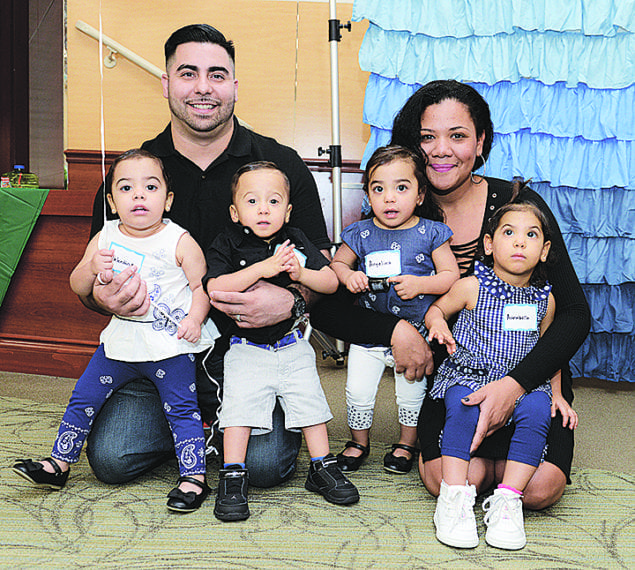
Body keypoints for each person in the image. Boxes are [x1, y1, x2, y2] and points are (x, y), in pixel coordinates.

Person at [311, 80, 590, 509]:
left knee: (539, 491)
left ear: (480, 142)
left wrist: (515, 386)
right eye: (427, 137)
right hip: (453, 378)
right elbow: (329, 309)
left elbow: (573, 313)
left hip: (528, 371)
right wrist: (398, 330)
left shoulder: (517, 207)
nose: (441, 150)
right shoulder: (398, 204)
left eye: (457, 136)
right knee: (450, 481)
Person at [82, 24, 331, 490]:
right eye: (187, 73)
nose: (202, 87)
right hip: (157, 352)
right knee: (112, 460)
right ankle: (197, 427)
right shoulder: (133, 175)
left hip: (255, 351)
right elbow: (87, 281)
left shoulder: (279, 166)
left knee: (263, 468)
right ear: (166, 83)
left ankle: (207, 430)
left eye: (217, 75)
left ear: (234, 85)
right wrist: (103, 297)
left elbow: (324, 270)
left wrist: (293, 303)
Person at [13, 149, 218, 512]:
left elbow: (202, 288)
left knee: (181, 410)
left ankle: (194, 477)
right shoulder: (106, 236)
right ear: (111, 201)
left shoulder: (179, 240)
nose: (138, 195)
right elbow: (77, 281)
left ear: (167, 200)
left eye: (150, 187)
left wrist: (194, 320)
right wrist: (92, 266)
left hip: (168, 345)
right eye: (126, 187)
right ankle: (59, 463)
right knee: (83, 396)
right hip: (120, 342)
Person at [204, 162, 358, 521]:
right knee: (239, 410)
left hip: (291, 343)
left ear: (287, 211)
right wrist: (263, 269)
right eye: (252, 200)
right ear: (234, 211)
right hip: (245, 349)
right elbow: (215, 288)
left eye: (273, 201)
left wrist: (299, 272)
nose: (262, 209)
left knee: (310, 403)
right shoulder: (227, 242)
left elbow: (330, 283)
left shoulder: (295, 242)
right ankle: (232, 474)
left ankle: (321, 466)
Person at [425, 200, 578, 549]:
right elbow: (437, 309)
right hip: (470, 374)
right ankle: (454, 496)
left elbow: (547, 352)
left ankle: (509, 500)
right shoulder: (471, 286)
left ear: (544, 250)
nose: (520, 242)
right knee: (462, 406)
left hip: (522, 383)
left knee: (538, 411)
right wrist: (437, 325)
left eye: (531, 235)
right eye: (509, 233)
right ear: (490, 244)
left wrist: (556, 394)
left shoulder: (546, 300)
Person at [331, 146, 459, 475]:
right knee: (357, 389)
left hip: (416, 332)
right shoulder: (359, 233)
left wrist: (421, 286)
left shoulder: (432, 232)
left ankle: (406, 443)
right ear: (368, 195)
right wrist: (349, 276)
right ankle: (359, 441)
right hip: (370, 331)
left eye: (401, 187)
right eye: (378, 189)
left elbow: (451, 276)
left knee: (411, 392)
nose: (389, 198)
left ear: (419, 195)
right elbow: (337, 265)